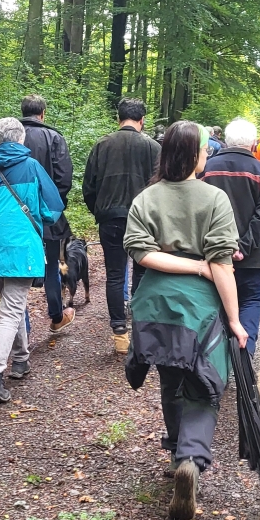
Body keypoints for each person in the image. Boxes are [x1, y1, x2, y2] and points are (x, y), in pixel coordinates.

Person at [123, 121, 248, 520]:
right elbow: (220, 266)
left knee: (170, 376)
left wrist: (194, 264)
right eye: (204, 149)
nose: (208, 154)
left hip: (154, 305)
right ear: (194, 154)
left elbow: (141, 255)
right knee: (205, 384)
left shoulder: (146, 198)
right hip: (199, 310)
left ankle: (178, 449)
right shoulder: (214, 199)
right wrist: (235, 320)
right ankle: (191, 457)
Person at [0, 118, 64, 402]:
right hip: (22, 248)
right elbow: (52, 209)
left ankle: (21, 358)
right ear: (21, 140)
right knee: (11, 311)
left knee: (12, 305)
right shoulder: (32, 167)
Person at [82, 96, 160, 354]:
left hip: (110, 218)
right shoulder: (153, 147)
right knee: (142, 272)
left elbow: (89, 187)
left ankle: (119, 331)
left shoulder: (102, 145)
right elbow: (163, 187)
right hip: (144, 220)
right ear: (142, 120)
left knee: (114, 275)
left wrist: (100, 211)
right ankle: (139, 327)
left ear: (118, 118)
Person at [201, 116, 260, 354]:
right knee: (251, 303)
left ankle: (218, 366)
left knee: (217, 307)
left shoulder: (205, 169)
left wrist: (222, 249)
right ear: (253, 143)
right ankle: (244, 358)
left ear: (227, 139)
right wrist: (242, 248)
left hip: (211, 258)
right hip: (252, 259)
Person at [19, 95, 75, 333]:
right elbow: (64, 178)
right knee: (52, 265)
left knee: (17, 271)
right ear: (42, 113)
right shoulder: (54, 138)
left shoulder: (8, 137)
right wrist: (53, 206)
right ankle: (55, 316)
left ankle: (23, 328)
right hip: (48, 216)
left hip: (16, 215)